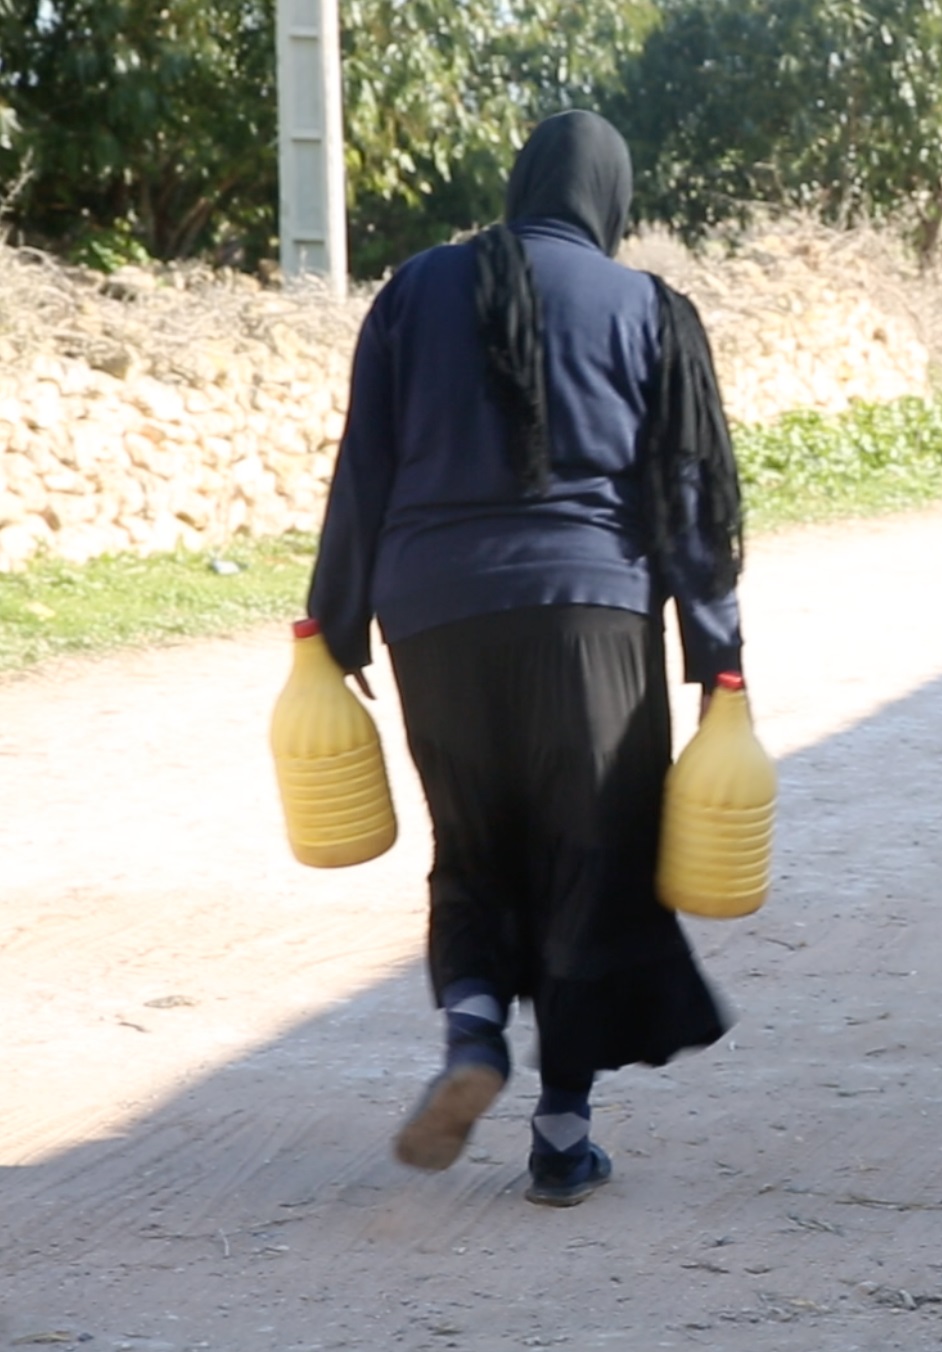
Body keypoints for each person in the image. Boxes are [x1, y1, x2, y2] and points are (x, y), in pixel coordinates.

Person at [307, 110, 747, 1207]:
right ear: (610, 195)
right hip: (592, 612)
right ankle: (560, 1134)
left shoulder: (414, 290)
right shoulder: (646, 305)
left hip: (433, 614)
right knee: (588, 859)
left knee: (474, 838)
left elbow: (363, 461)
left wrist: (333, 623)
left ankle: (471, 1034)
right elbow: (690, 499)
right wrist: (718, 655)